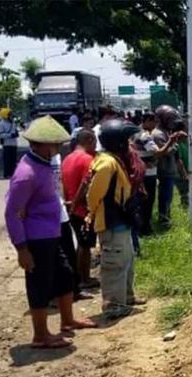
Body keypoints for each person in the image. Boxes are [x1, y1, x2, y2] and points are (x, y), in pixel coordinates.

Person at [4, 115, 97, 349]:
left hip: (52, 233)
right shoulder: (27, 173)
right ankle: (40, 335)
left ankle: (67, 320)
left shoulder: (43, 164)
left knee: (65, 274)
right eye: (55, 143)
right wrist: (22, 249)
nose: (58, 147)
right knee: (39, 284)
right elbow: (11, 213)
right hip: (36, 238)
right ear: (42, 144)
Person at [87, 119, 142, 319]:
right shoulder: (107, 163)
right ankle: (113, 305)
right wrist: (92, 212)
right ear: (118, 142)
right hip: (111, 221)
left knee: (126, 260)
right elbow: (94, 195)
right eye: (126, 141)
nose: (129, 144)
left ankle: (126, 297)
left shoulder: (115, 160)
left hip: (121, 219)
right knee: (114, 263)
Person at [51, 149, 93, 302]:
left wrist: (66, 202)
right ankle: (57, 294)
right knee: (80, 246)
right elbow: (85, 182)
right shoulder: (32, 167)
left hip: (63, 212)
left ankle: (74, 289)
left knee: (69, 254)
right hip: (52, 218)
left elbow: (59, 184)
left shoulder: (59, 157)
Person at [62, 129, 100, 290]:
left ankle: (81, 277)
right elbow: (86, 184)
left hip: (71, 207)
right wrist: (76, 203)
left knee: (81, 243)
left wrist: (69, 203)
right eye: (94, 142)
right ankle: (84, 279)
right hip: (83, 209)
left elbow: (63, 183)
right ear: (89, 140)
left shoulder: (67, 158)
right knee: (85, 246)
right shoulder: (87, 159)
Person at [134, 113, 176, 234]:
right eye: (154, 122)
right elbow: (158, 152)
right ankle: (145, 228)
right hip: (147, 174)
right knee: (147, 201)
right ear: (147, 121)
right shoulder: (144, 136)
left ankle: (142, 226)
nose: (155, 125)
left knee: (141, 201)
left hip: (141, 172)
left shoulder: (135, 132)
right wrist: (171, 141)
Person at [152, 105, 186, 228]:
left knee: (168, 197)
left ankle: (166, 218)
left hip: (170, 170)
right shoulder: (158, 134)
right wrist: (175, 142)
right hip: (164, 170)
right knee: (165, 197)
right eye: (170, 119)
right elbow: (165, 152)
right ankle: (164, 221)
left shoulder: (166, 132)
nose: (172, 123)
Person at [0, 107, 19, 179]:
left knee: (14, 160)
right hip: (6, 144)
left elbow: (15, 131)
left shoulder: (13, 122)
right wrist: (10, 135)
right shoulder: (1, 124)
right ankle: (7, 174)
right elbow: (0, 134)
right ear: (5, 115)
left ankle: (13, 173)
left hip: (14, 144)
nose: (11, 116)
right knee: (7, 160)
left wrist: (16, 133)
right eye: (10, 114)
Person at [172, 119, 190, 208]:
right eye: (185, 128)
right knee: (185, 193)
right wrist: (184, 174)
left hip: (186, 171)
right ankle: (185, 210)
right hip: (180, 173)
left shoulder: (184, 142)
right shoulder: (176, 144)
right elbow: (178, 160)